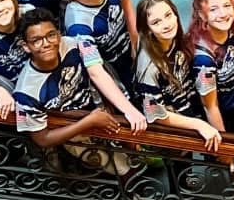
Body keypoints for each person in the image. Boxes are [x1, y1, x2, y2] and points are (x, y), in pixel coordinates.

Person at [13, 8, 147, 149]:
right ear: (26, 46)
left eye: (51, 35)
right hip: (72, 135)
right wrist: (89, 122)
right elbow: (42, 139)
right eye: (36, 41)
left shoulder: (77, 43)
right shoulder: (25, 93)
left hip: (102, 111)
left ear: (59, 35)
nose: (46, 43)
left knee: (135, 151)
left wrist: (129, 110)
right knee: (117, 163)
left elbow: (97, 73)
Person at [134, 0, 220, 151]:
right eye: (156, 22)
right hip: (172, 134)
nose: (166, 24)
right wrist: (199, 124)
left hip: (190, 110)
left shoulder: (178, 40)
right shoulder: (149, 69)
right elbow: (157, 116)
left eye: (168, 15)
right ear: (148, 30)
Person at [57, 0, 138, 92]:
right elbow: (95, 71)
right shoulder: (78, 24)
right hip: (111, 65)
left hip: (130, 45)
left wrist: (135, 38)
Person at [186, 0, 234, 135]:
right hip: (226, 120)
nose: (223, 14)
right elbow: (211, 107)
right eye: (213, 9)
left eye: (227, 6)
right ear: (202, 14)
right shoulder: (203, 61)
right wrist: (225, 143)